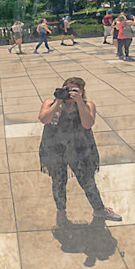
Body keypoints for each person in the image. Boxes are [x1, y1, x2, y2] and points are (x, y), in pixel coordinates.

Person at [38, 77, 122, 224]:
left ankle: (99, 209)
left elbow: (87, 124)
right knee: (58, 182)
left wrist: (79, 102)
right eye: (67, 89)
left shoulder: (87, 105)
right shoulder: (50, 103)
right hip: (55, 149)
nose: (69, 93)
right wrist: (58, 101)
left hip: (80, 150)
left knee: (88, 181)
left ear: (82, 92)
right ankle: (61, 214)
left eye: (74, 90)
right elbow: (44, 119)